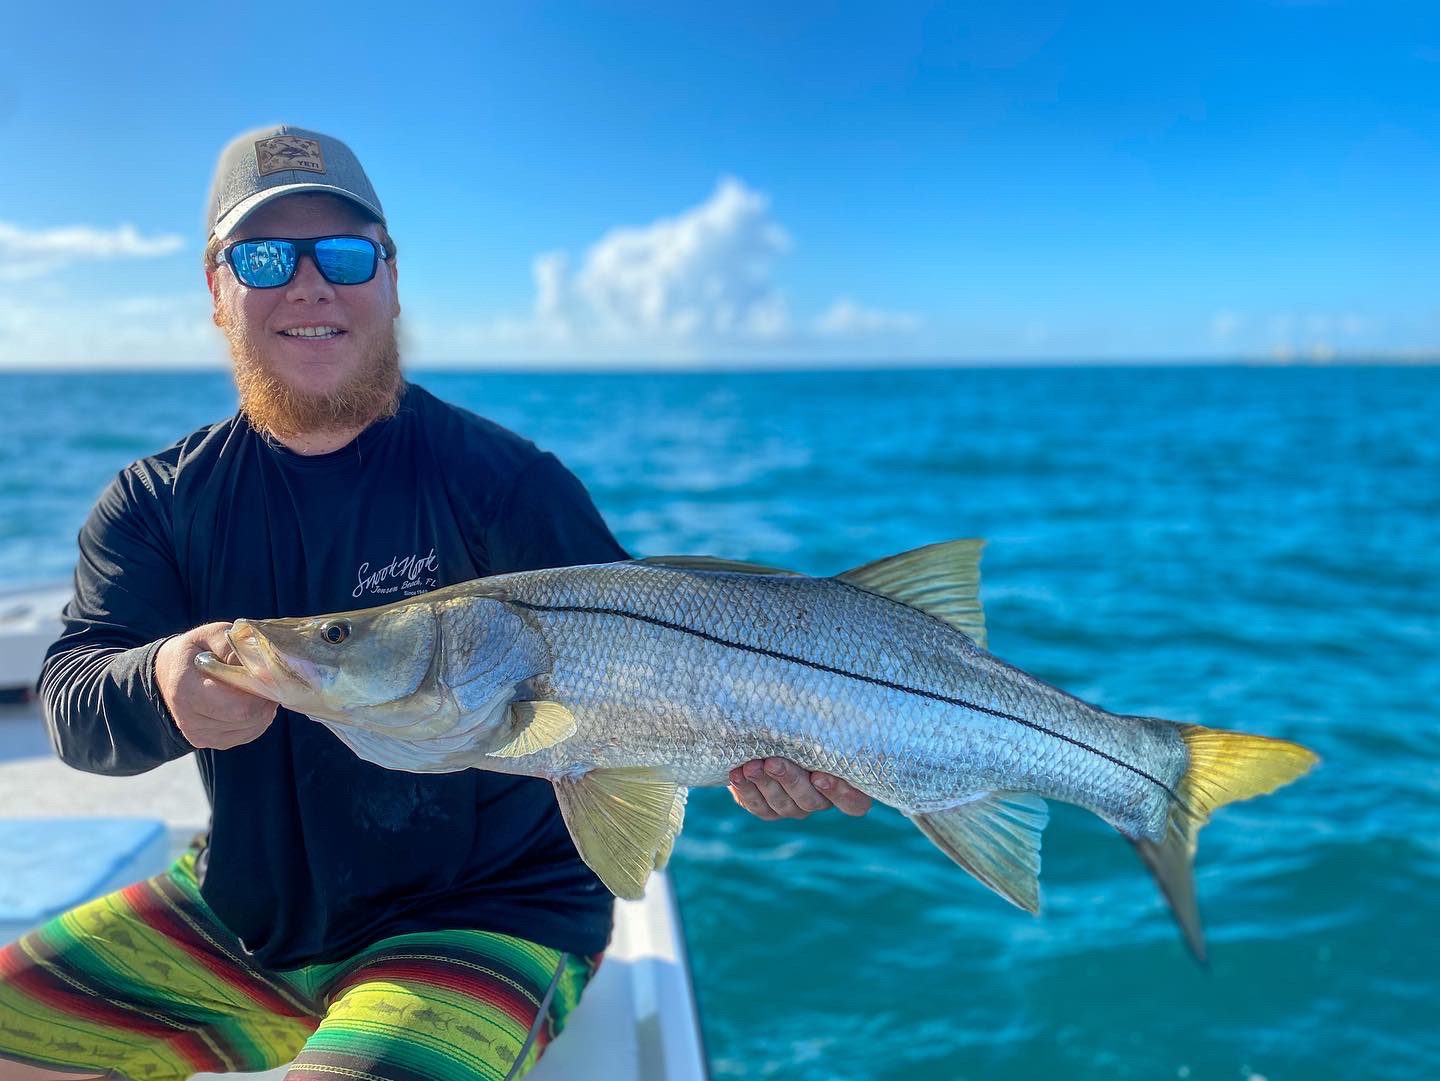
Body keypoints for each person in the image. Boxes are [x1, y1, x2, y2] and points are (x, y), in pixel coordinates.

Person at [0, 125, 871, 1081]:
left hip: (491, 920)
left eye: (343, 252)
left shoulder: (504, 483)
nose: (310, 283)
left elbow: (663, 661)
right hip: (243, 909)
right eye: (263, 256)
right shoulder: (156, 502)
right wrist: (163, 681)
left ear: (391, 279)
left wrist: (776, 747)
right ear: (217, 290)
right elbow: (73, 701)